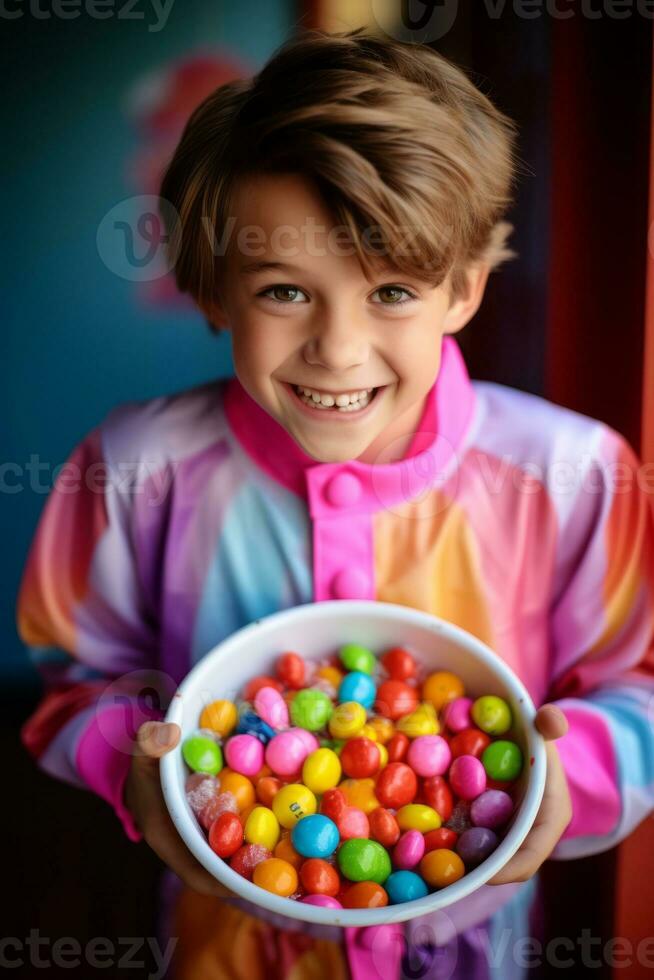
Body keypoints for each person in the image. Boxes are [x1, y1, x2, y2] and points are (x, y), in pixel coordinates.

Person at [17, 27, 654, 980]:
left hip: (474, 950)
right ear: (215, 292)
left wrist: (571, 778)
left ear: (466, 289)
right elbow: (69, 678)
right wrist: (129, 764)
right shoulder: (132, 467)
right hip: (225, 944)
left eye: (393, 290)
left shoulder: (577, 474)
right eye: (285, 291)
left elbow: (637, 683)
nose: (340, 349)